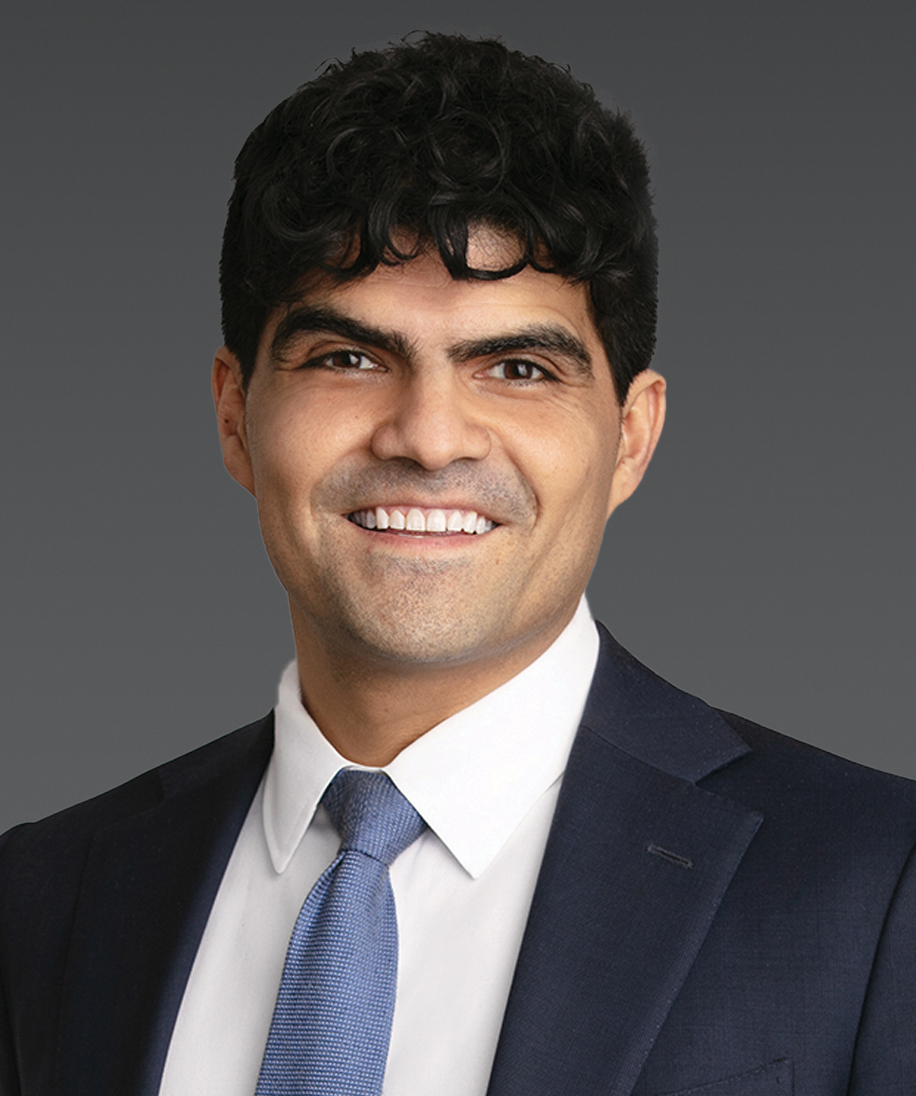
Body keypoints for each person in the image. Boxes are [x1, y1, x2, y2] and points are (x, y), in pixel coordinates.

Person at [1, 31, 914, 1096]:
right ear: (236, 415)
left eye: (517, 367)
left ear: (630, 438)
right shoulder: (46, 894)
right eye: (349, 357)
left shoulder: (876, 887)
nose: (430, 438)